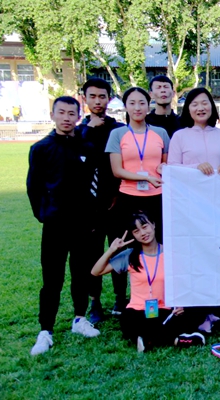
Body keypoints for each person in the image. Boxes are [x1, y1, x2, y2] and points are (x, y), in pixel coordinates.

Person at [27, 96, 100, 356]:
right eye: (62, 113)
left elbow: (94, 185)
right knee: (52, 278)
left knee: (81, 274)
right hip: (55, 224)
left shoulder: (87, 147)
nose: (67, 118)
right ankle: (46, 329)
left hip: (82, 224)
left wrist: (91, 217)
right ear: (53, 115)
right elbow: (33, 187)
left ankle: (80, 318)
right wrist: (44, 215)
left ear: (79, 117)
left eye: (72, 113)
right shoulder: (41, 148)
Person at [91, 212, 206, 352]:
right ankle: (176, 339)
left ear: (154, 225)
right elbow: (96, 271)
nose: (143, 233)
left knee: (188, 314)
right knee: (128, 321)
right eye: (136, 231)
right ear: (133, 235)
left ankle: (147, 339)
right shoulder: (130, 255)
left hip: (165, 309)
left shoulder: (171, 254)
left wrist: (180, 303)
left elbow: (185, 281)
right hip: (138, 311)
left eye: (145, 227)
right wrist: (112, 250)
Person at [78, 78, 127, 323]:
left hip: (116, 202)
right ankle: (94, 302)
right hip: (89, 207)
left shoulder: (118, 129)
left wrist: (118, 194)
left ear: (109, 98)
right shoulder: (78, 131)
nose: (97, 101)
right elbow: (78, 162)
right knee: (93, 255)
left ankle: (120, 298)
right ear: (84, 99)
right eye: (93, 96)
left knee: (119, 250)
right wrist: (88, 129)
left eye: (102, 96)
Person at [106, 87, 170, 242]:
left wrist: (163, 167)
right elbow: (117, 170)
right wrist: (146, 178)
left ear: (148, 106)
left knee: (159, 240)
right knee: (129, 242)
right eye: (132, 103)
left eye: (142, 103)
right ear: (125, 106)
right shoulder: (117, 134)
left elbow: (167, 164)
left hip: (157, 196)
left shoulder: (161, 133)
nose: (137, 108)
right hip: (128, 197)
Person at [168, 88, 220, 175]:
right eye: (195, 105)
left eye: (204, 103)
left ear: (211, 105)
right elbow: (172, 167)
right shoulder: (179, 136)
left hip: (218, 183)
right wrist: (196, 167)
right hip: (190, 183)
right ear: (188, 109)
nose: (200, 108)